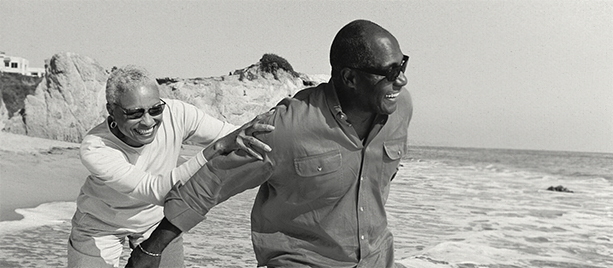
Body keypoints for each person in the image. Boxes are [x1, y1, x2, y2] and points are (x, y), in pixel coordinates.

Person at [128, 19, 413, 268]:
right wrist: (151, 248)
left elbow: (379, 178)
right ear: (350, 77)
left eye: (402, 65)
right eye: (389, 72)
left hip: (377, 259)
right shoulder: (287, 127)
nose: (401, 79)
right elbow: (212, 182)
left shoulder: (400, 110)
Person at [67, 65, 273, 267]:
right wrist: (216, 148)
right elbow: (157, 191)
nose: (148, 122)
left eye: (155, 109)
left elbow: (237, 135)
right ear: (111, 110)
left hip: (155, 221)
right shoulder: (96, 147)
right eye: (135, 114)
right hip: (100, 224)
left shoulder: (177, 113)